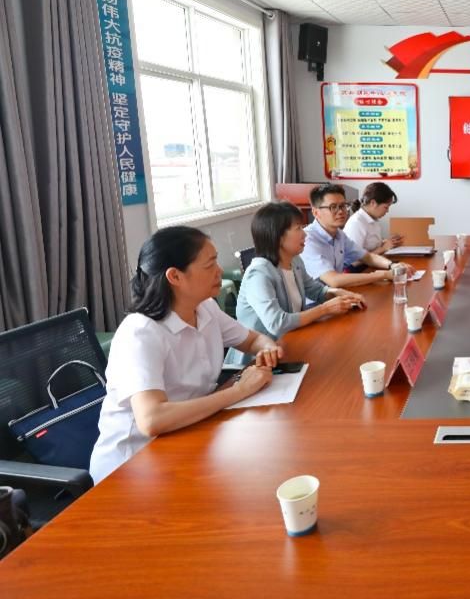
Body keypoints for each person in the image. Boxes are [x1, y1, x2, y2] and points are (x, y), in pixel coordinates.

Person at [90, 227, 283, 483]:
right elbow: (152, 419)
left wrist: (268, 349)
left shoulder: (205, 309)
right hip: (133, 466)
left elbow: (253, 340)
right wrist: (239, 390)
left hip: (189, 435)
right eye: (210, 265)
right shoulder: (140, 332)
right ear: (175, 276)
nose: (219, 271)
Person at [236, 202, 367, 343]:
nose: (304, 234)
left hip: (292, 340)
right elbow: (277, 324)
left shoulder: (295, 261)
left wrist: (339, 294)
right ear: (278, 236)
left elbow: (316, 291)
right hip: (263, 352)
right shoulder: (259, 274)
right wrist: (325, 309)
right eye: (298, 228)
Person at [301, 184, 409, 287]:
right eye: (333, 207)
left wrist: (392, 265)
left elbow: (367, 256)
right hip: (319, 298)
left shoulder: (339, 234)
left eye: (343, 206)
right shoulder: (307, 239)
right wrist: (383, 275)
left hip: (337, 293)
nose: (341, 211)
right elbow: (333, 280)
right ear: (316, 213)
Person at [344, 182, 403, 254]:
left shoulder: (373, 220)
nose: (387, 211)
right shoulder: (356, 223)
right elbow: (355, 258)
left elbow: (372, 246)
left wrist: (387, 242)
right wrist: (383, 248)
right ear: (373, 203)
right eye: (386, 207)